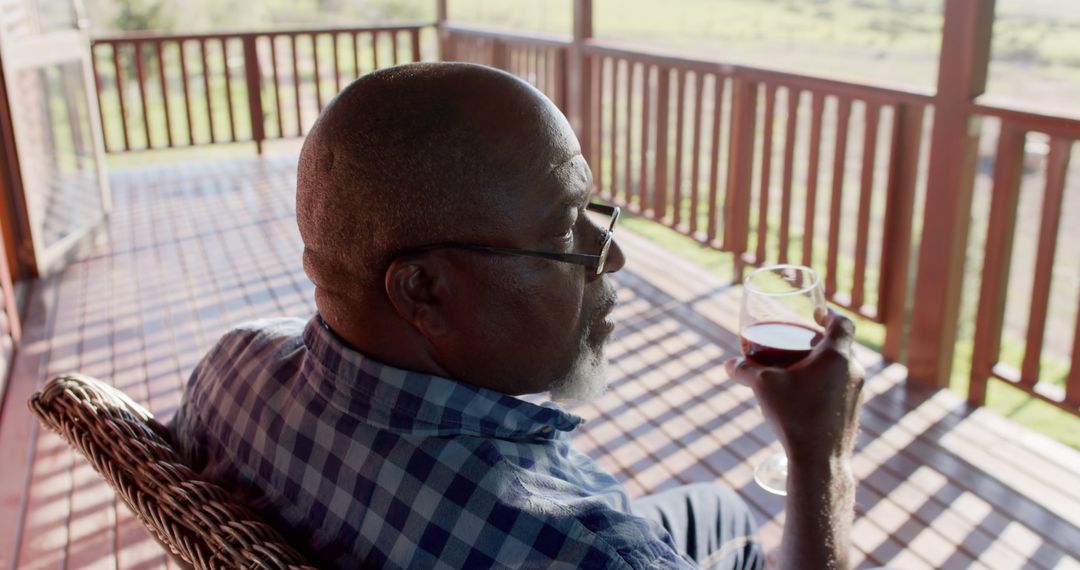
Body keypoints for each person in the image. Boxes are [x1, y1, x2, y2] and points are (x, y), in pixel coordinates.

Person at [171, 62, 864, 569]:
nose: (611, 256)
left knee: (718, 510)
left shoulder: (229, 365)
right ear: (424, 292)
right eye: (568, 226)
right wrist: (818, 458)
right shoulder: (593, 553)